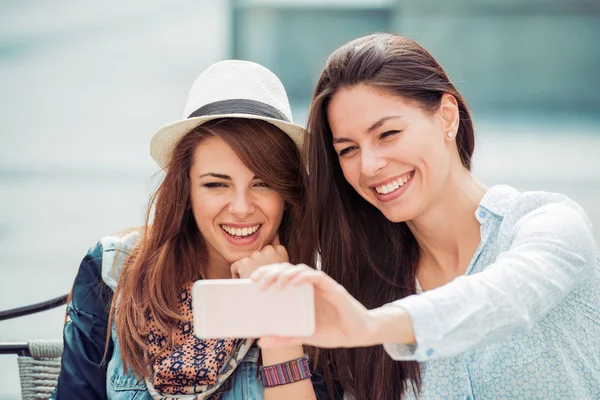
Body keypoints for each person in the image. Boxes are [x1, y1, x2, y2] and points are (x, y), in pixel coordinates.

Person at [247, 33, 600, 399]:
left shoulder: (550, 225)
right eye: (348, 149)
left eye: (388, 133)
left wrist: (372, 326)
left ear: (447, 117)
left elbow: (504, 297)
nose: (368, 166)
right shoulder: (363, 287)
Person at [51, 60, 328, 399]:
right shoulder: (113, 269)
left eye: (262, 184)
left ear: (287, 193)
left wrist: (276, 312)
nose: (241, 208)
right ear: (187, 191)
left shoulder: (316, 289)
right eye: (216, 185)